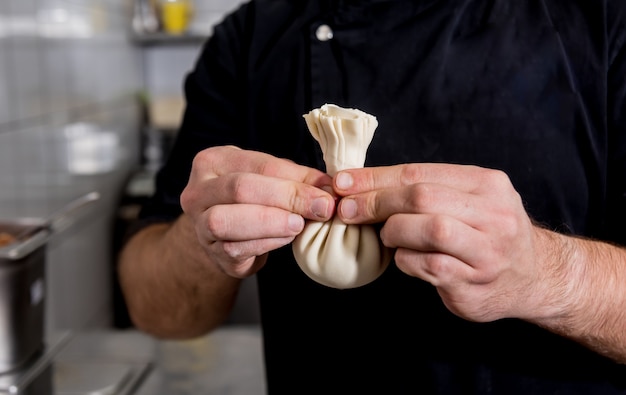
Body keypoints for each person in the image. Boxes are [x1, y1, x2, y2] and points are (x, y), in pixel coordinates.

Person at [118, 0, 626, 393]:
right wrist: (201, 243)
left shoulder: (604, 20)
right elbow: (154, 311)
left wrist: (549, 274)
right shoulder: (249, 39)